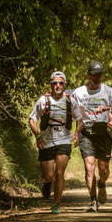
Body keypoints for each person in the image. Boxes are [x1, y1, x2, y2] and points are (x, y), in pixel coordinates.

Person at [29, 71, 83, 214]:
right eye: (54, 83)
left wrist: (76, 133)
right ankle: (47, 184)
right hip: (46, 140)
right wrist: (37, 136)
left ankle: (56, 204)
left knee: (60, 173)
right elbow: (32, 119)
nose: (57, 86)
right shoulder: (43, 100)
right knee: (49, 175)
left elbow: (80, 119)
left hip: (64, 139)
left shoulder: (70, 101)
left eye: (60, 83)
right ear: (51, 85)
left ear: (64, 85)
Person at [72, 61, 112, 212]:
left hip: (103, 132)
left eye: (100, 74)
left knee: (104, 170)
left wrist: (111, 118)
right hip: (86, 132)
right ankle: (93, 201)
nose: (98, 77)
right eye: (95, 74)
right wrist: (76, 133)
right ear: (88, 75)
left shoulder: (110, 92)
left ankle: (102, 183)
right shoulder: (78, 93)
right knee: (89, 166)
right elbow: (76, 115)